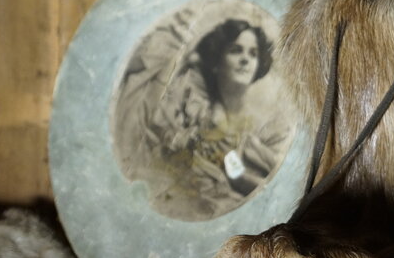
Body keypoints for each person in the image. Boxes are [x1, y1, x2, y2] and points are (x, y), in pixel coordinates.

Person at [114, 14, 290, 221]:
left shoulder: (264, 127)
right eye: (236, 50)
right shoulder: (191, 107)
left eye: (253, 54)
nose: (245, 59)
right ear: (217, 62)